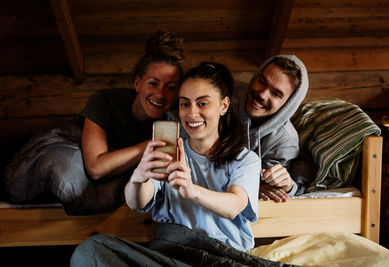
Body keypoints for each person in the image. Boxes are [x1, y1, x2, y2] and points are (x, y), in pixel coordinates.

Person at [70, 62, 267, 266]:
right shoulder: (168, 151)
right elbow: (136, 202)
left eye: (202, 103)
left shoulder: (244, 160)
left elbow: (234, 205)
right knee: (92, 249)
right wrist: (138, 178)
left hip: (221, 259)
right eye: (184, 103)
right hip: (172, 256)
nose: (191, 113)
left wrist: (191, 190)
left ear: (223, 106)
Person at [4, 30, 184, 215]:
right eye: (153, 83)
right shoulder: (104, 101)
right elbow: (96, 168)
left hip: (116, 173)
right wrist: (148, 147)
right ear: (137, 83)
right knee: (65, 172)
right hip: (70, 145)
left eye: (170, 88)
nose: (161, 94)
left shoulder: (171, 124)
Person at [236, 55, 310, 202]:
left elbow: (269, 187)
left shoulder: (285, 139)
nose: (262, 94)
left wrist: (285, 186)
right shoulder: (225, 96)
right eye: (262, 82)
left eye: (276, 94)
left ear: (287, 105)